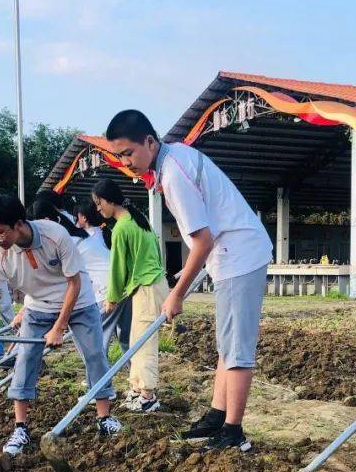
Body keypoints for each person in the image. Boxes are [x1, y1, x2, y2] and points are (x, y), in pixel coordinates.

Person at [106, 109, 273, 452]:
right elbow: (203, 238)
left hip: (239, 254)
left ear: (149, 142)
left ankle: (232, 433)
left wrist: (177, 294)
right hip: (229, 254)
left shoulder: (173, 173)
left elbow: (203, 240)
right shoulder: (175, 157)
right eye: (119, 156)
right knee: (225, 345)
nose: (126, 162)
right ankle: (217, 415)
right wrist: (191, 271)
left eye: (128, 153)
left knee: (237, 348)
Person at [0, 195, 122, 457]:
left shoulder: (55, 235)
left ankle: (104, 418)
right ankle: (21, 427)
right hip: (37, 306)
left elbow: (74, 283)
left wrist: (59, 326)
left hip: (79, 302)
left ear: (19, 224)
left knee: (94, 354)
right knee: (23, 359)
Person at [92, 178, 169, 413]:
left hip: (147, 287)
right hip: (149, 286)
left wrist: (111, 299)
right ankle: (136, 389)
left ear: (109, 200)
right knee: (136, 340)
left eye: (99, 203)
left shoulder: (122, 227)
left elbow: (118, 269)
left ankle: (148, 395)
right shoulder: (138, 220)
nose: (98, 208)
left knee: (143, 344)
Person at [77, 200, 130, 348]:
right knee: (126, 335)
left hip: (105, 293)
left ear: (84, 218)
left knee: (97, 337)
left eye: (78, 217)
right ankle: (133, 368)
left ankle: (101, 370)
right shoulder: (106, 232)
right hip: (124, 287)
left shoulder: (82, 239)